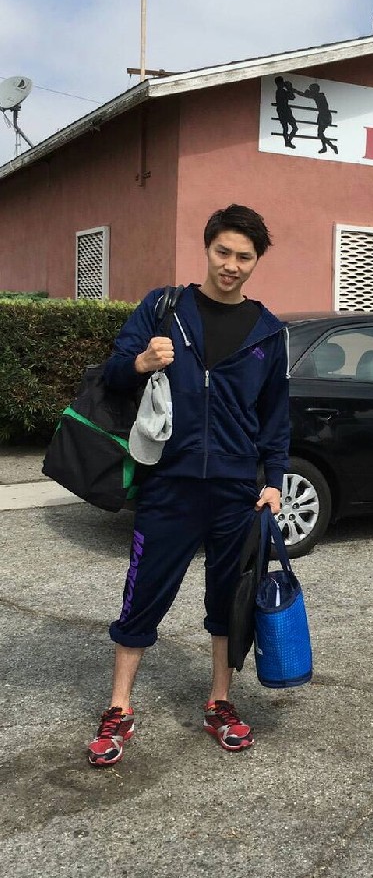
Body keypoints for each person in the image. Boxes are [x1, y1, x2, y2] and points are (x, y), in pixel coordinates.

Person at [87, 204, 290, 767]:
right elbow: (112, 374)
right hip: (168, 484)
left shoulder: (269, 333)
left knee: (227, 601)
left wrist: (274, 482)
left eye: (243, 256)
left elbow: (275, 418)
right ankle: (119, 708)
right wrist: (141, 362)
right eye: (223, 252)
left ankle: (219, 702)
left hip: (235, 490)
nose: (231, 265)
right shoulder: (164, 307)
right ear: (207, 249)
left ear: (256, 261)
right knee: (143, 593)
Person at [274, 76, 299, 148]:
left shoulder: (280, 91)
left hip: (281, 110)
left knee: (286, 128)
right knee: (293, 128)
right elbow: (292, 97)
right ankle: (288, 142)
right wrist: (289, 88)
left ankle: (287, 142)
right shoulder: (281, 91)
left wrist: (288, 88)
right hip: (285, 110)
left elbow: (292, 97)